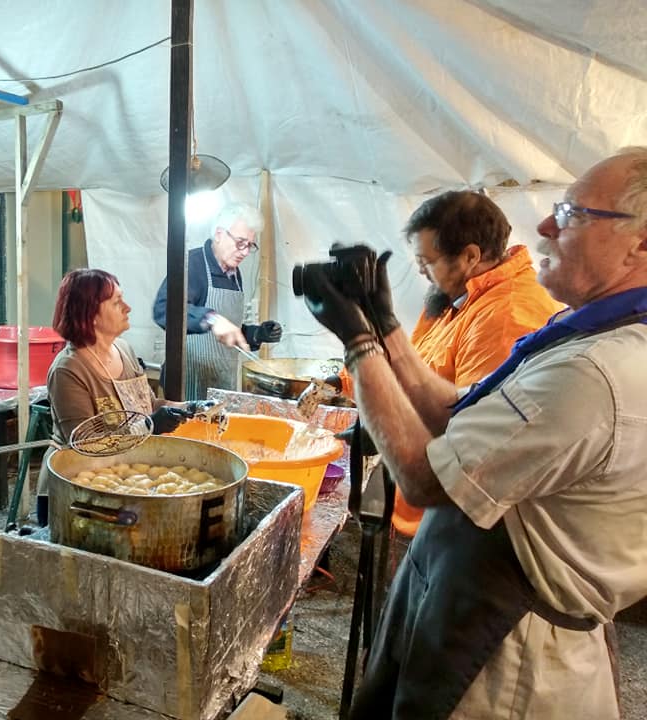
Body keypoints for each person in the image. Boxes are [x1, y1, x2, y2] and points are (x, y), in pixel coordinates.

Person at [298, 147, 647, 719]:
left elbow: (423, 478)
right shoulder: (586, 334)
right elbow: (466, 412)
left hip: (506, 644)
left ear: (642, 242)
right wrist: (384, 326)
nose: (544, 225)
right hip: (462, 589)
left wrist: (359, 345)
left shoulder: (594, 371)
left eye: (572, 213)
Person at [310, 191, 562, 537]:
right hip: (418, 506)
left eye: (427, 260)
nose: (419, 270)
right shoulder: (459, 299)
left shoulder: (506, 316)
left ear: (470, 256)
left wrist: (359, 345)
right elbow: (414, 364)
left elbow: (468, 441)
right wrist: (344, 380)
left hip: (448, 516)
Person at [37, 268, 198, 525]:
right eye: (116, 302)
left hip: (123, 478)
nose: (127, 307)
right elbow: (86, 445)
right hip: (76, 492)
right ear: (90, 315)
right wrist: (150, 425)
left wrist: (191, 408)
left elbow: (148, 404)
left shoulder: (124, 350)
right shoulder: (69, 369)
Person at [153, 202, 283, 400]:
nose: (245, 252)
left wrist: (256, 334)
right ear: (219, 234)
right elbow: (164, 310)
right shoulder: (192, 265)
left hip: (221, 385)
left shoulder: (234, 275)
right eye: (240, 242)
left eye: (250, 245)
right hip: (186, 387)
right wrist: (211, 319)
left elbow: (228, 332)